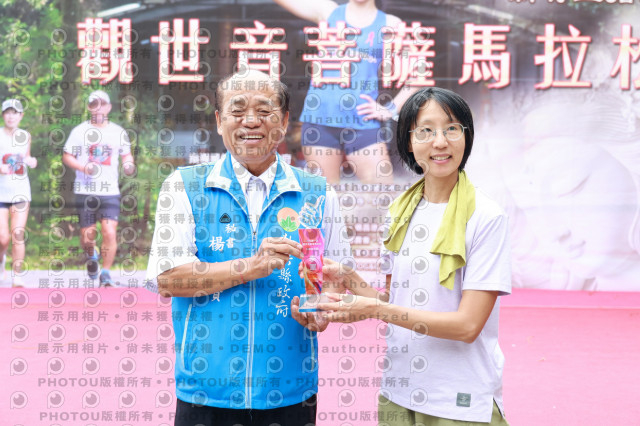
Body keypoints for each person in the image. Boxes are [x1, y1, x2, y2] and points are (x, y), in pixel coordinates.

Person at [145, 70, 349, 426]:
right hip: (205, 392)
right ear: (219, 121)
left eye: (265, 111)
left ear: (284, 121)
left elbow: (335, 278)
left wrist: (321, 310)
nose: (251, 121)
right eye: (237, 111)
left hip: (291, 390)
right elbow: (168, 279)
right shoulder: (184, 186)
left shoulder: (317, 193)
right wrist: (251, 267)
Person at [313, 87, 511, 425]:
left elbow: (467, 326)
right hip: (398, 393)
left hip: (458, 401)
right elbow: (394, 303)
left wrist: (375, 309)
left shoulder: (486, 217)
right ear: (408, 141)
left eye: (452, 129)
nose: (440, 142)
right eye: (425, 131)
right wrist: (349, 278)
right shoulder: (399, 211)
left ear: (466, 137)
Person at [273, 0, 416, 184]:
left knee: (382, 193)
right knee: (325, 195)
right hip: (320, 120)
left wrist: (390, 108)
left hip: (362, 122)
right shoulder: (328, 12)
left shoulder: (390, 24)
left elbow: (418, 74)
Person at [62, 90, 136, 287]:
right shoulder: (79, 131)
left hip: (110, 191)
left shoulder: (118, 132)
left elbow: (126, 155)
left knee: (109, 232)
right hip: (85, 190)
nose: (98, 108)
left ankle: (106, 273)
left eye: (102, 104)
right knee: (88, 236)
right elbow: (67, 156)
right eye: (94, 104)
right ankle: (92, 256)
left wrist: (128, 165)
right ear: (89, 108)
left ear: (109, 107)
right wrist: (82, 167)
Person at [0, 99, 37, 287]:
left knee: (18, 233)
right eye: (7, 112)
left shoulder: (25, 136)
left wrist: (31, 161)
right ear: (3, 115)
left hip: (21, 192)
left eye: (15, 113)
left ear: (21, 116)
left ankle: (17, 275)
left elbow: (26, 156)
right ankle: (1, 261)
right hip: (1, 193)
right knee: (2, 238)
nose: (11, 116)